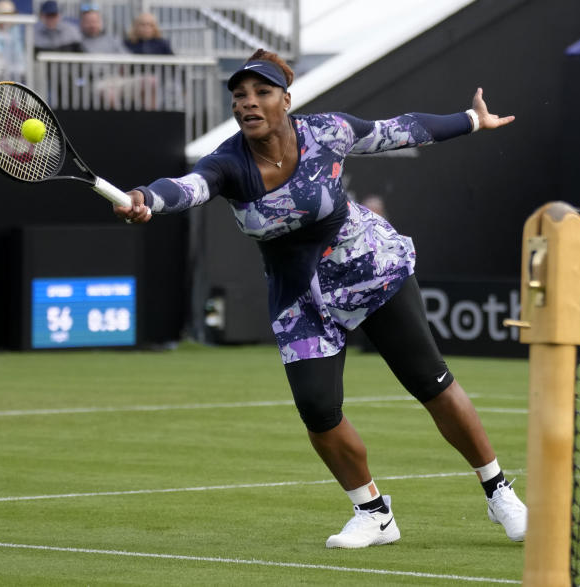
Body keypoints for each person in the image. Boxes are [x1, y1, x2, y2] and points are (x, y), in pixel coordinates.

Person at [113, 49, 527, 549]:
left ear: (285, 100)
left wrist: (470, 120)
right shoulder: (228, 163)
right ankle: (374, 513)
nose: (248, 103)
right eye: (239, 96)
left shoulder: (327, 131)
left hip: (367, 269)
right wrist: (146, 199)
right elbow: (187, 187)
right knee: (317, 409)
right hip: (300, 299)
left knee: (430, 382)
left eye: (261, 93)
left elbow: (400, 128)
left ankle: (498, 490)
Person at [0, 0, 25, 79]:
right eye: (4, 15)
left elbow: (20, 62)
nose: (7, 18)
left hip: (14, 77)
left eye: (9, 15)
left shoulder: (17, 33)